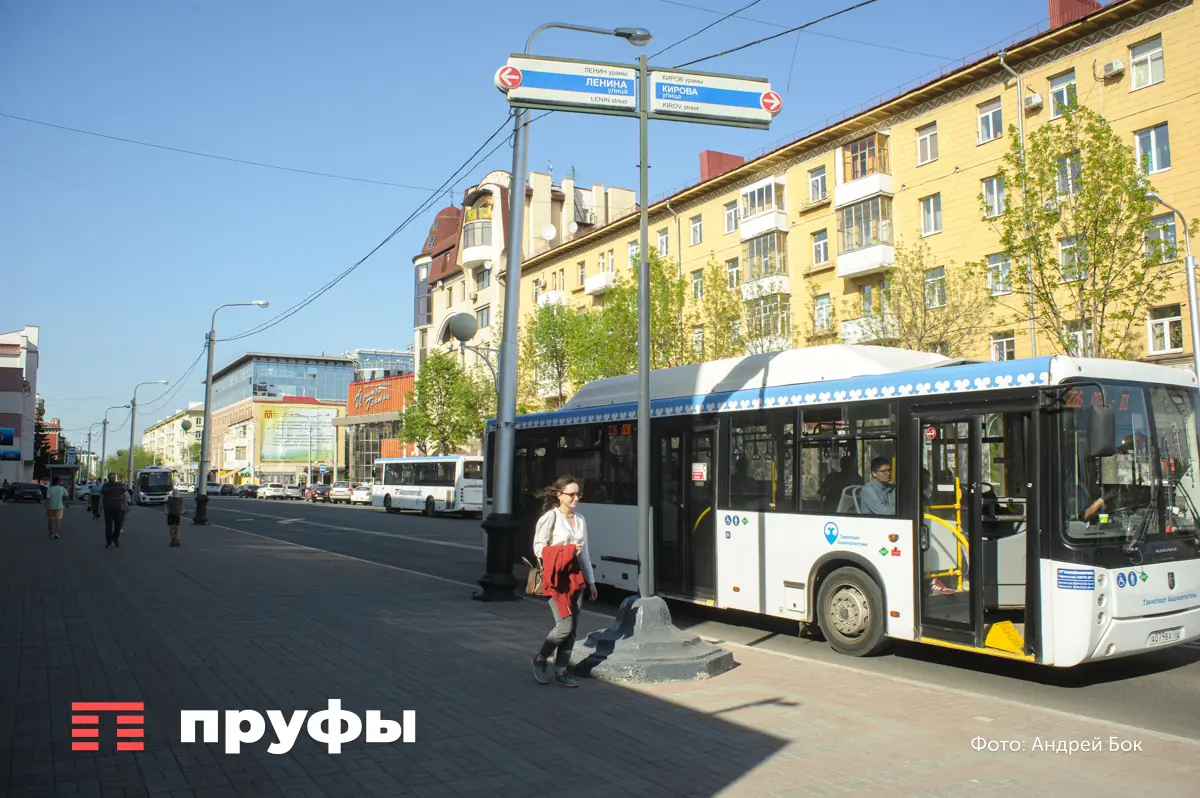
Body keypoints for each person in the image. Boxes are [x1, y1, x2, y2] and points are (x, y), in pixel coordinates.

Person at [530, 475, 597, 688]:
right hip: (556, 577)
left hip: (575, 578)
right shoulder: (550, 518)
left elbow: (584, 552)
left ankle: (561, 670)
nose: (576, 498)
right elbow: (538, 548)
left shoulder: (580, 520)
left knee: (574, 627)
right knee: (564, 627)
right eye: (571, 494)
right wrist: (566, 551)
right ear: (559, 496)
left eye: (578, 494)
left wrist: (591, 581)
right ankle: (541, 658)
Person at [100, 472, 128, 548]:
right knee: (108, 526)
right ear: (108, 478)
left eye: (113, 477)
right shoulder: (105, 486)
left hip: (118, 508)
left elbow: (125, 495)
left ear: (115, 478)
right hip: (108, 509)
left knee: (118, 526)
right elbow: (101, 497)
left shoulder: (120, 485)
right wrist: (99, 508)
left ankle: (115, 538)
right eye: (110, 478)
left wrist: (125, 506)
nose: (112, 479)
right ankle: (108, 541)